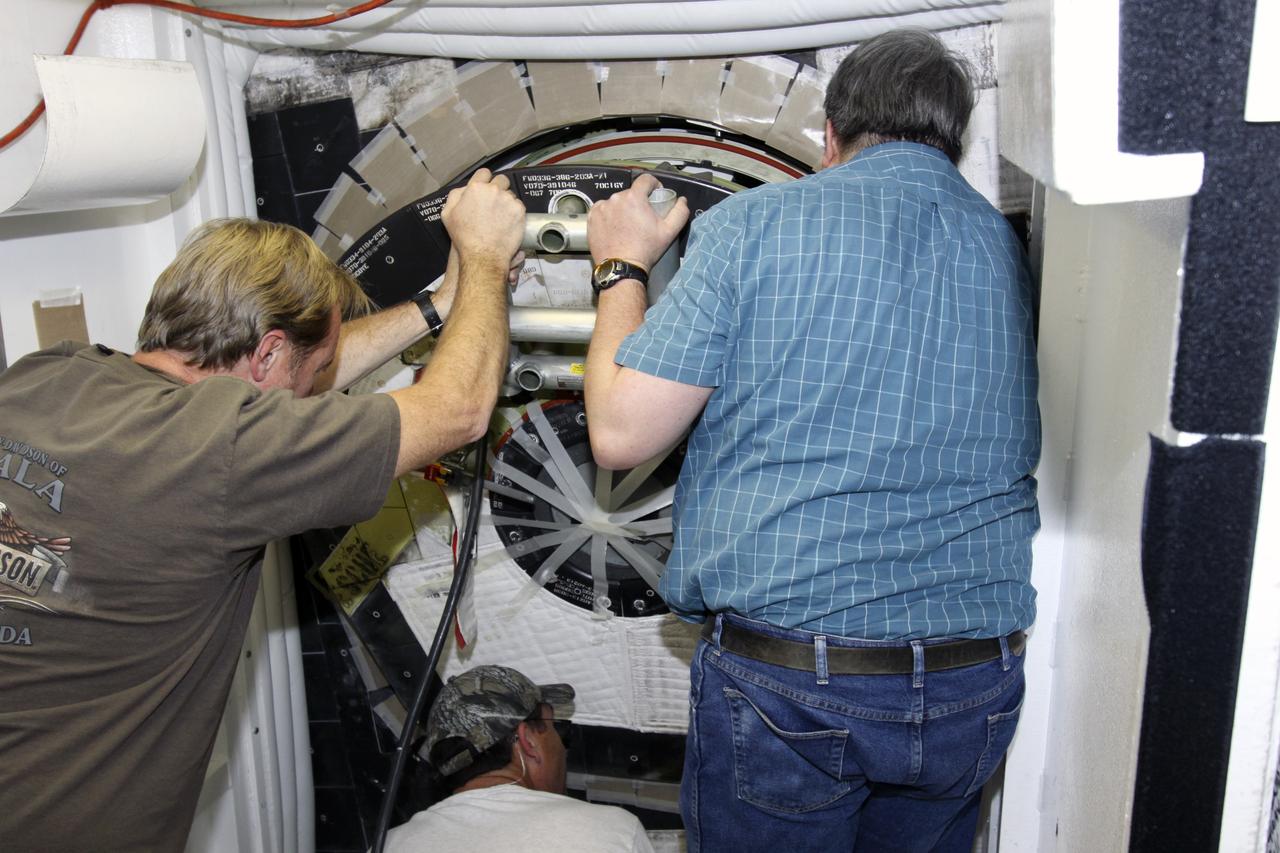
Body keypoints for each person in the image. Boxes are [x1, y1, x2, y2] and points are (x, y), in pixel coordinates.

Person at [583, 30, 1040, 853]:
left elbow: (618, 432)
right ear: (953, 140)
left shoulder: (755, 227)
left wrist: (621, 267)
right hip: (975, 681)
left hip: (799, 688)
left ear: (830, 136)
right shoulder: (1004, 248)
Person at [0, 168, 525, 853]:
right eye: (312, 376)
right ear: (269, 353)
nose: (315, 394)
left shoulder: (48, 375)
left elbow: (288, 389)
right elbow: (456, 412)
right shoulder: (223, 455)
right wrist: (484, 258)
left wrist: (440, 303)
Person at [385, 664, 654, 853]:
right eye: (557, 727)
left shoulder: (389, 845)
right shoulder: (612, 831)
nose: (562, 744)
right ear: (527, 741)